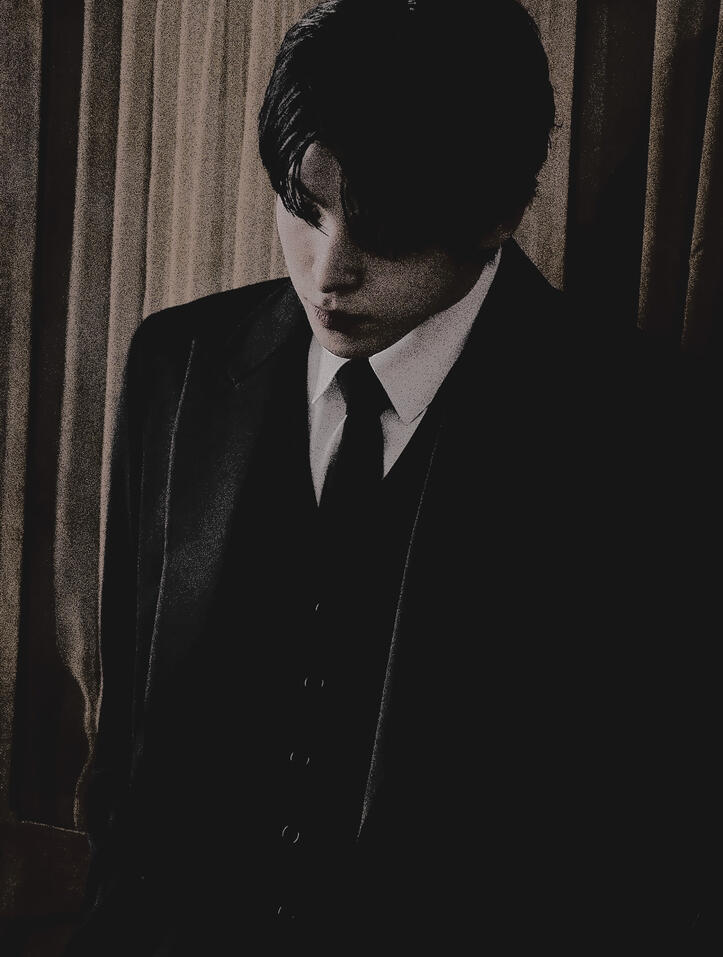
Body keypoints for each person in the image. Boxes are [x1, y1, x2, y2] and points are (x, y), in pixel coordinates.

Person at [67, 0, 718, 953]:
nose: (328, 270)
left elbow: (643, 831)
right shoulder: (179, 364)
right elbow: (131, 754)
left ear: (499, 213)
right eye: (305, 207)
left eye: (385, 226)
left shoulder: (642, 430)